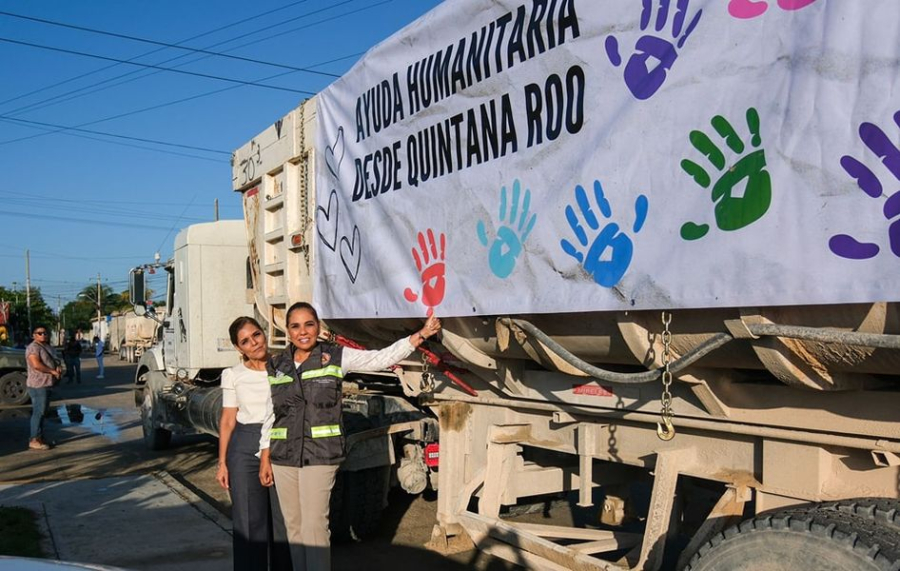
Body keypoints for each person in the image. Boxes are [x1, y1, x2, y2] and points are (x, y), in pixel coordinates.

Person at [258, 302, 441, 571]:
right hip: (283, 457)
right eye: (295, 326)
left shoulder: (335, 356)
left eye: (309, 324)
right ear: (288, 331)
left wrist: (420, 335)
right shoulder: (276, 364)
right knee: (292, 526)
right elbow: (270, 413)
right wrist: (265, 456)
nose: (303, 331)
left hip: (320, 455)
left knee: (315, 526)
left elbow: (380, 358)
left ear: (317, 326)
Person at [217, 316, 292, 571]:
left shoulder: (285, 365)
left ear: (265, 333)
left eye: (256, 335)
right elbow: (228, 420)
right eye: (245, 341)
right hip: (245, 446)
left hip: (281, 442)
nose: (254, 343)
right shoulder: (233, 375)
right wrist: (222, 463)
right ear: (239, 349)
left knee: (284, 521)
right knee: (250, 522)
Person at [25, 325, 61, 451]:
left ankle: (39, 437)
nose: (43, 335)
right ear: (34, 335)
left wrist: (57, 367)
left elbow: (54, 360)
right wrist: (52, 371)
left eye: (45, 333)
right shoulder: (33, 348)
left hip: (47, 384)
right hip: (38, 385)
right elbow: (36, 365)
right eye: (39, 333)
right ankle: (34, 439)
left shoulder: (47, 347)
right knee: (38, 412)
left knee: (42, 412)